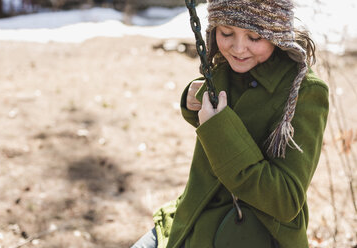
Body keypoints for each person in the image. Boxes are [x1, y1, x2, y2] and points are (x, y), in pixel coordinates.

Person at [131, 0, 329, 247]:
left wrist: (219, 129)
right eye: (226, 33)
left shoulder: (304, 92)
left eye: (254, 37)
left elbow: (285, 200)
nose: (238, 48)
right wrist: (191, 99)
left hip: (253, 232)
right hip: (191, 216)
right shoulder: (225, 66)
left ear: (276, 34)